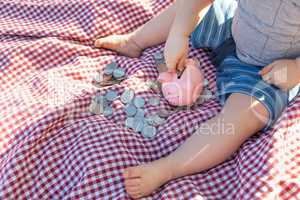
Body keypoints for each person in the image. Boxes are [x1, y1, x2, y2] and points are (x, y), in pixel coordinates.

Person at [95, 0, 300, 198]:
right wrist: (179, 34)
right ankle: (134, 41)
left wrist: (296, 69)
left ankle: (169, 167)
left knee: (243, 117)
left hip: (270, 69)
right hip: (231, 27)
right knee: (184, 9)